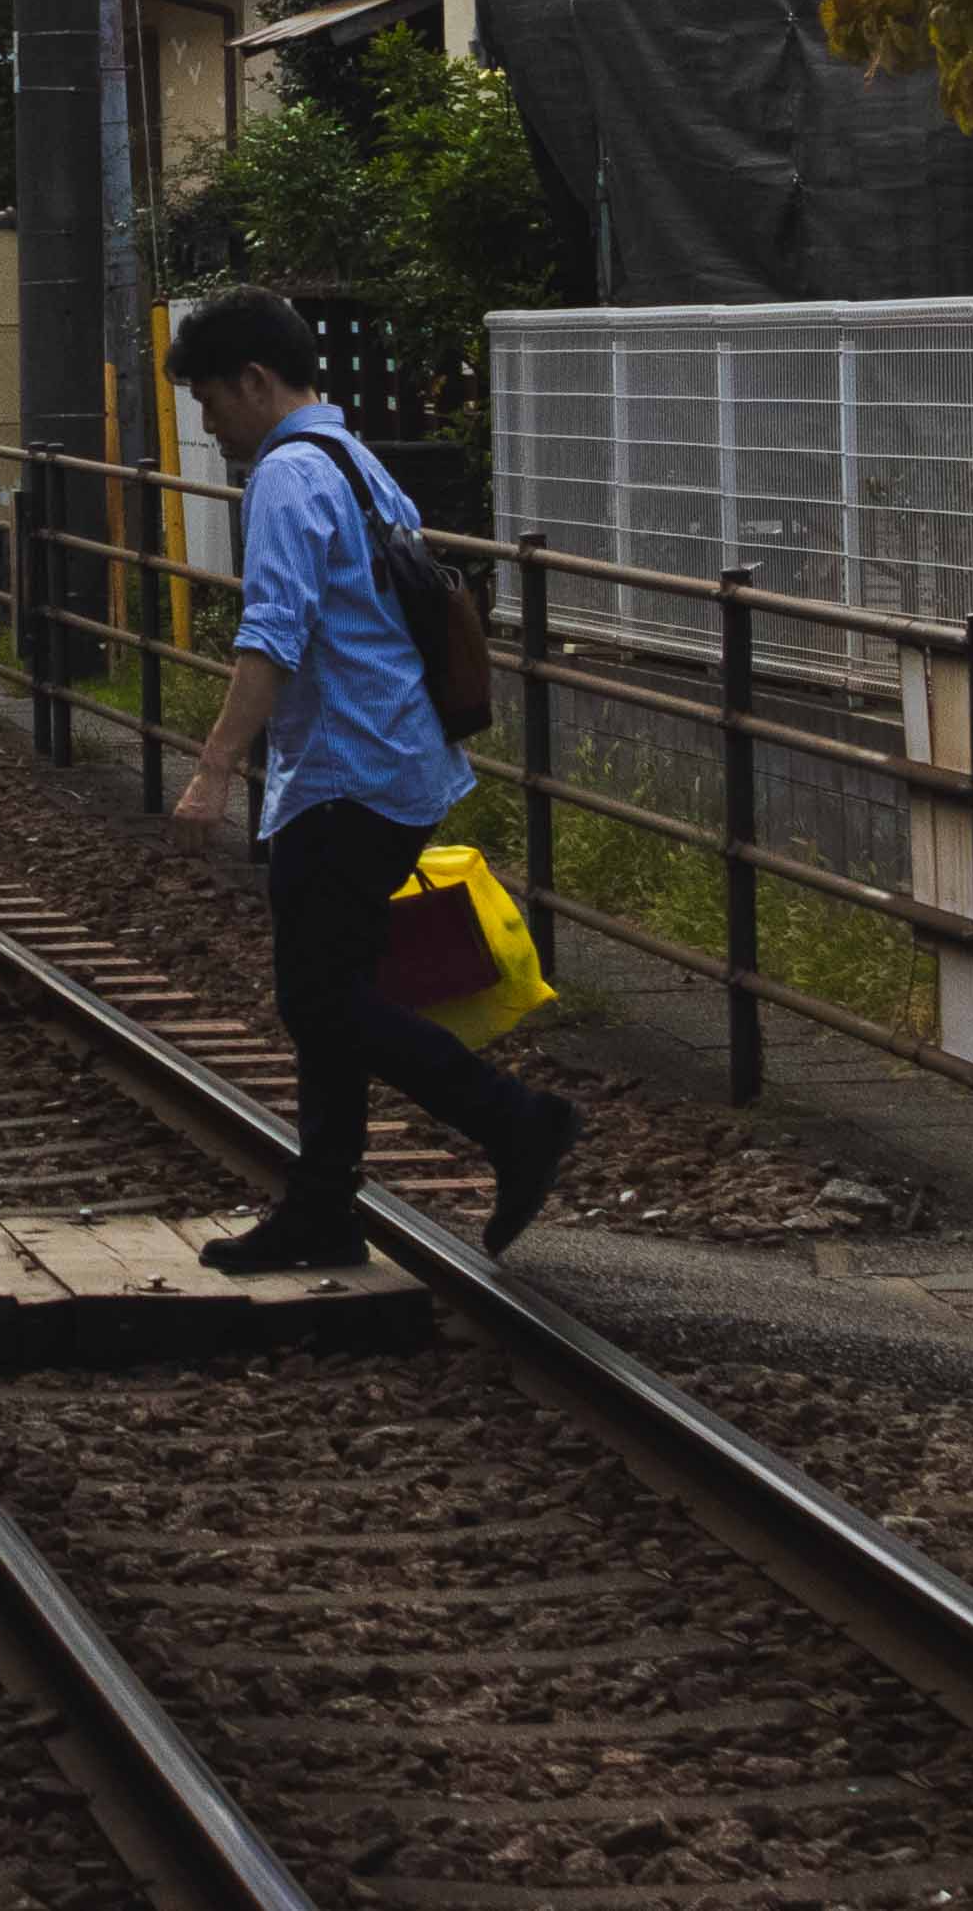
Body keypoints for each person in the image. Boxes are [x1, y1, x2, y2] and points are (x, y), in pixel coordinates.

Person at [161, 290, 582, 1271]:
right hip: (393, 756)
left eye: (211, 401)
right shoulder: (355, 463)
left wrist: (213, 767)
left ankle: (516, 1120)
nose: (210, 425)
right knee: (329, 991)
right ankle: (320, 1207)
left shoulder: (285, 477)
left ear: (254, 381)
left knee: (321, 999)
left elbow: (271, 632)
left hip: (346, 771)